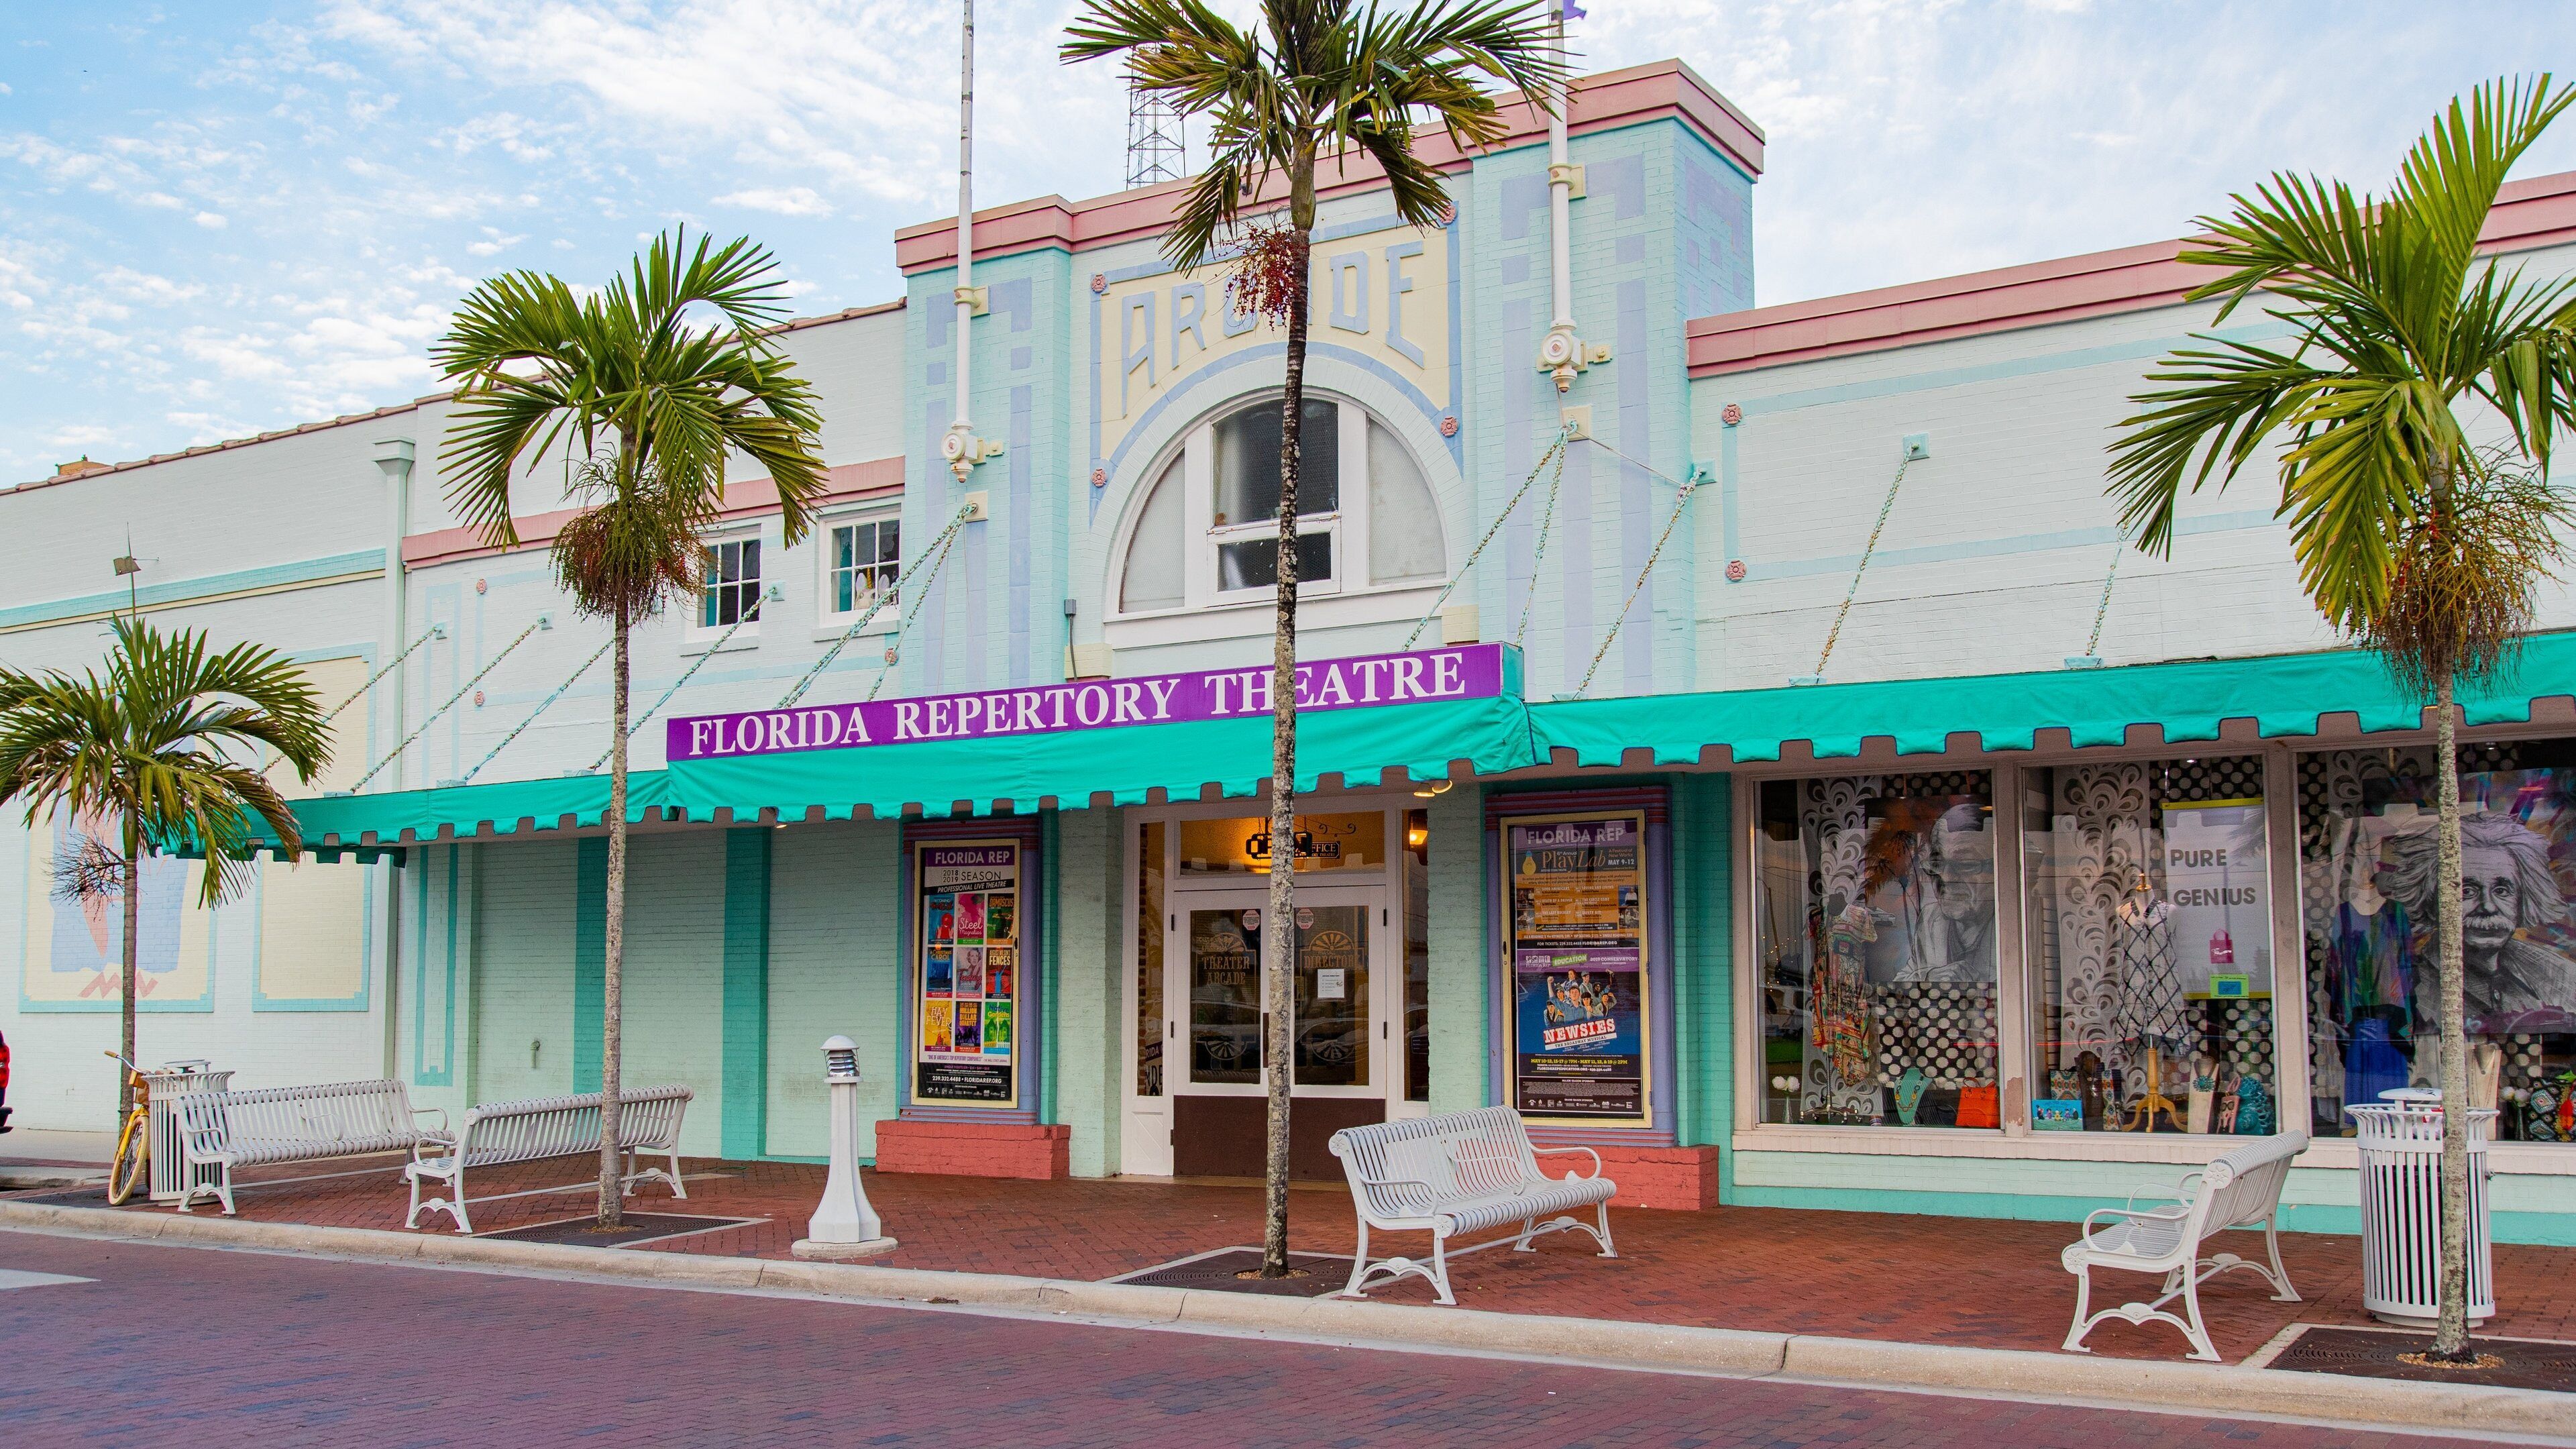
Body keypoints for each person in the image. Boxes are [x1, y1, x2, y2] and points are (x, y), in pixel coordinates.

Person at [2379, 812, 2576, 1029]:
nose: (2488, 907)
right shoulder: (2411, 986)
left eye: (2502, 890)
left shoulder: (2560, 976)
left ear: (2522, 900)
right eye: (2467, 891)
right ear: (2431, 902)